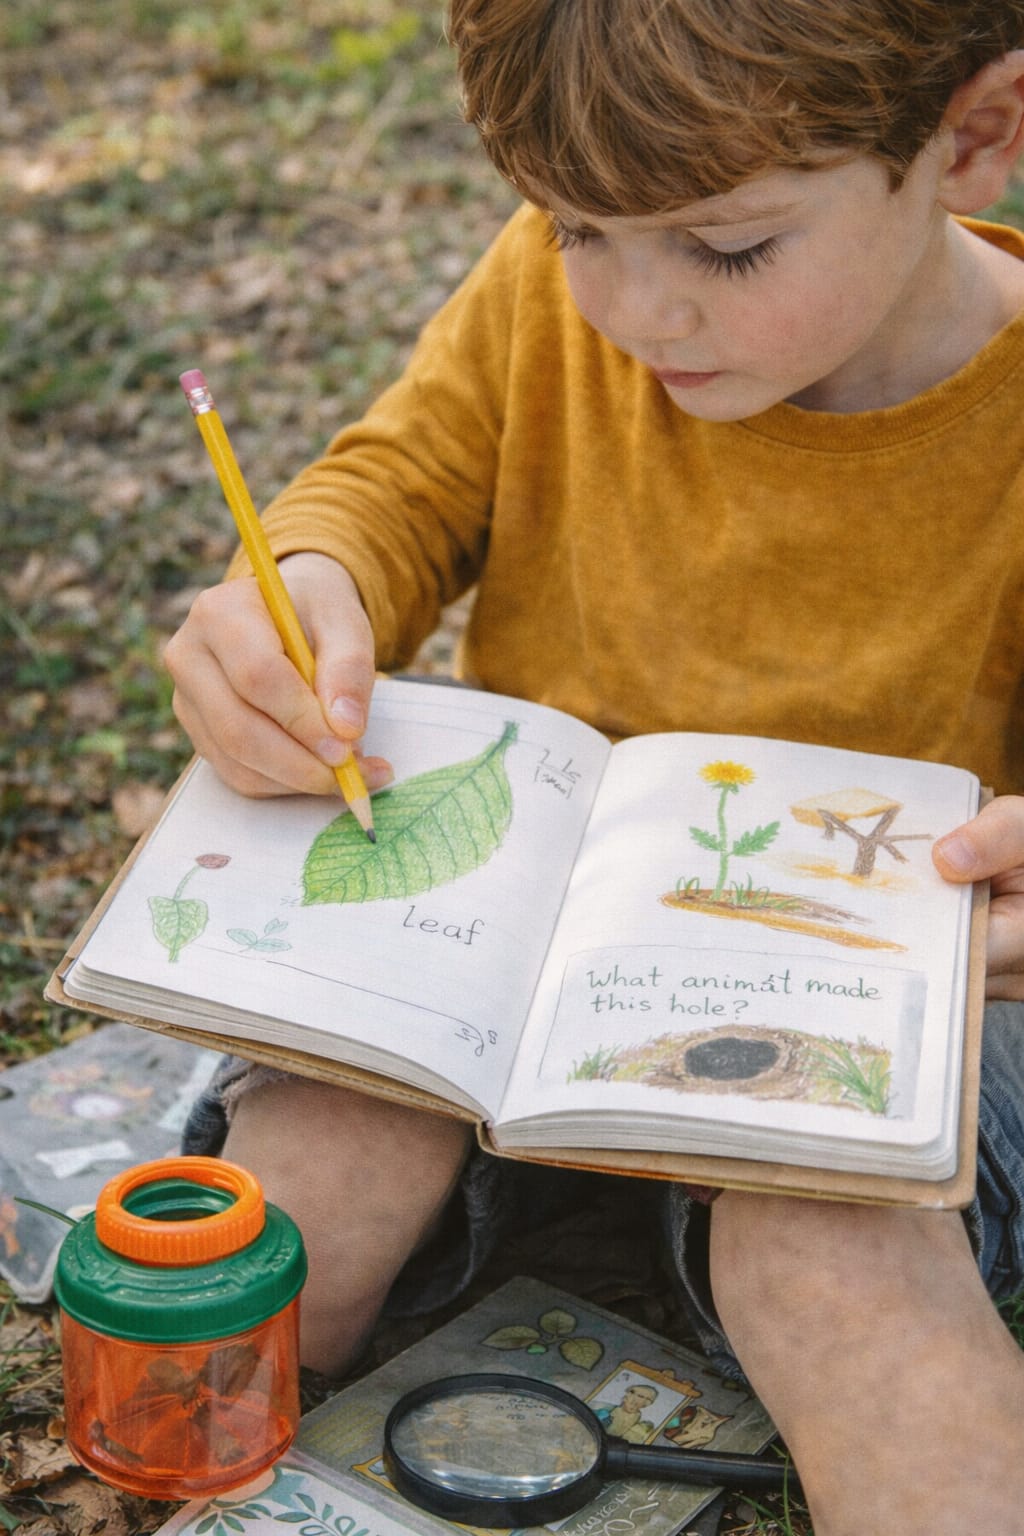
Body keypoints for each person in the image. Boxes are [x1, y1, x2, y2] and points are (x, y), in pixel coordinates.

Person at [167, 2, 1024, 1529]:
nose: (636, 310)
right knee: (326, 1163)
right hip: (511, 999)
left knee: (826, 1255)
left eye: (730, 251)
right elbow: (398, 482)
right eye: (576, 229)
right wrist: (307, 583)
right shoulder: (553, 298)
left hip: (889, 1035)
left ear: (972, 136)